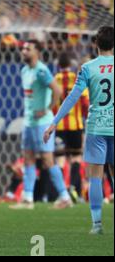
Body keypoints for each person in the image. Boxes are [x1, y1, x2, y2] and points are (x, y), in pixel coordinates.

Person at [44, 26, 114, 235]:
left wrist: (54, 122)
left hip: (95, 128)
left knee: (95, 176)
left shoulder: (87, 68)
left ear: (95, 44)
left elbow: (72, 97)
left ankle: (97, 225)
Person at [10, 39, 73, 210]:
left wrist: (47, 109)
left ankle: (65, 196)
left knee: (47, 160)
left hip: (42, 123)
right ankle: (28, 199)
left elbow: (58, 91)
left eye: (27, 49)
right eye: (22, 49)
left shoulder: (42, 70)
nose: (23, 52)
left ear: (37, 52)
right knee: (28, 158)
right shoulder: (24, 70)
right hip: (28, 122)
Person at [53, 52, 89, 202]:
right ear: (71, 64)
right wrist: (85, 115)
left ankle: (60, 194)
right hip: (76, 126)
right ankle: (73, 188)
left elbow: (53, 102)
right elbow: (85, 101)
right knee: (76, 158)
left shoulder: (54, 80)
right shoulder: (76, 78)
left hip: (60, 125)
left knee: (60, 160)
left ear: (58, 65)